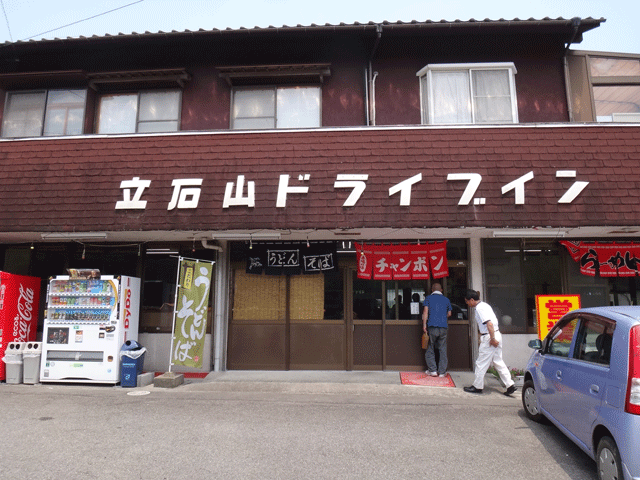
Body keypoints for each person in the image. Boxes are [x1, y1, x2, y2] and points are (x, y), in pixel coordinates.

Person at [463, 289, 516, 396]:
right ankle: (510, 385)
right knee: (497, 361)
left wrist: (492, 339)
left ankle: (477, 386)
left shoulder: (479, 308)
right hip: (496, 334)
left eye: (467, 301)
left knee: (481, 363)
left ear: (472, 300)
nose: (467, 304)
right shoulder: (485, 305)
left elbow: (489, 324)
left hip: (490, 337)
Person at [422, 283, 452, 377]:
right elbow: (449, 313)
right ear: (441, 290)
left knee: (430, 347)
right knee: (442, 349)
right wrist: (443, 317)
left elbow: (425, 312)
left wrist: (424, 324)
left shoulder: (428, 298)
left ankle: (433, 370)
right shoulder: (446, 299)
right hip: (443, 327)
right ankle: (442, 372)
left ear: (432, 290)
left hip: (432, 326)